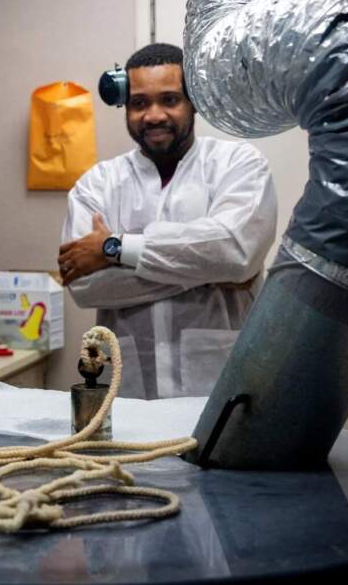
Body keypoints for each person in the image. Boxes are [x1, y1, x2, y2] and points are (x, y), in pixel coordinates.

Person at [58, 43, 277, 400]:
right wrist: (209, 272)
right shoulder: (97, 184)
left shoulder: (239, 165)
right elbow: (85, 287)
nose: (154, 115)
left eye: (170, 100)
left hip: (219, 391)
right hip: (130, 392)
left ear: (194, 102)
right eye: (140, 103)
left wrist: (114, 248)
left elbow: (235, 251)